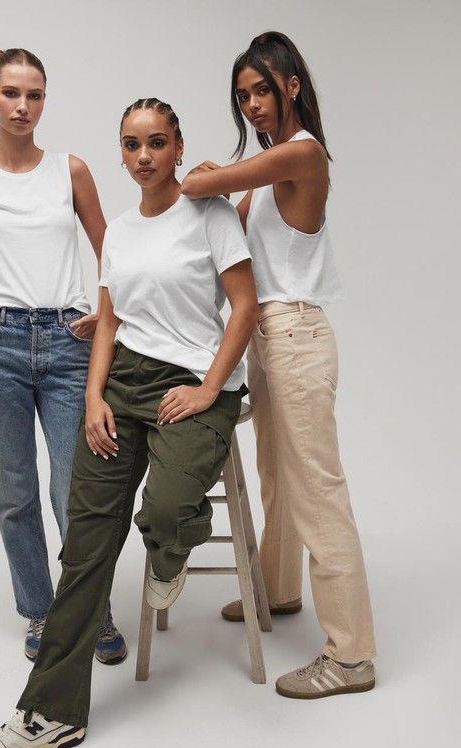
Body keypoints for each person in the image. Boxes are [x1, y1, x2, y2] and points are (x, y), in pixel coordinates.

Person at [0, 97, 259, 748]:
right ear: (122, 154)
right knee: (86, 545)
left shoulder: (211, 215)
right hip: (123, 384)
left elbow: (243, 306)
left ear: (178, 146)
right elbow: (110, 319)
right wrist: (94, 396)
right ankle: (51, 713)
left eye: (157, 142)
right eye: (132, 144)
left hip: (194, 384)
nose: (144, 155)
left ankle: (170, 551)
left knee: (167, 509)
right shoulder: (121, 232)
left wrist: (210, 388)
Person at [181, 31, 376, 699]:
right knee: (276, 476)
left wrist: (212, 173)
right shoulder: (267, 175)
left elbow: (199, 185)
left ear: (292, 85)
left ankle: (351, 657)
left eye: (262, 89)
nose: (252, 104)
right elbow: (224, 230)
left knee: (317, 490)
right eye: (243, 95)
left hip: (295, 333)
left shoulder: (302, 153)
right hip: (266, 338)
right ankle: (279, 588)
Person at [0, 48, 126, 665]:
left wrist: (107, 314)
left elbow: (113, 253)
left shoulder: (70, 171)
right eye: (11, 93)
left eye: (35, 95)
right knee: (14, 491)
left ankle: (90, 609)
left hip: (68, 343)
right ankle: (40, 611)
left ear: (45, 100)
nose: (23, 106)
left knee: (76, 490)